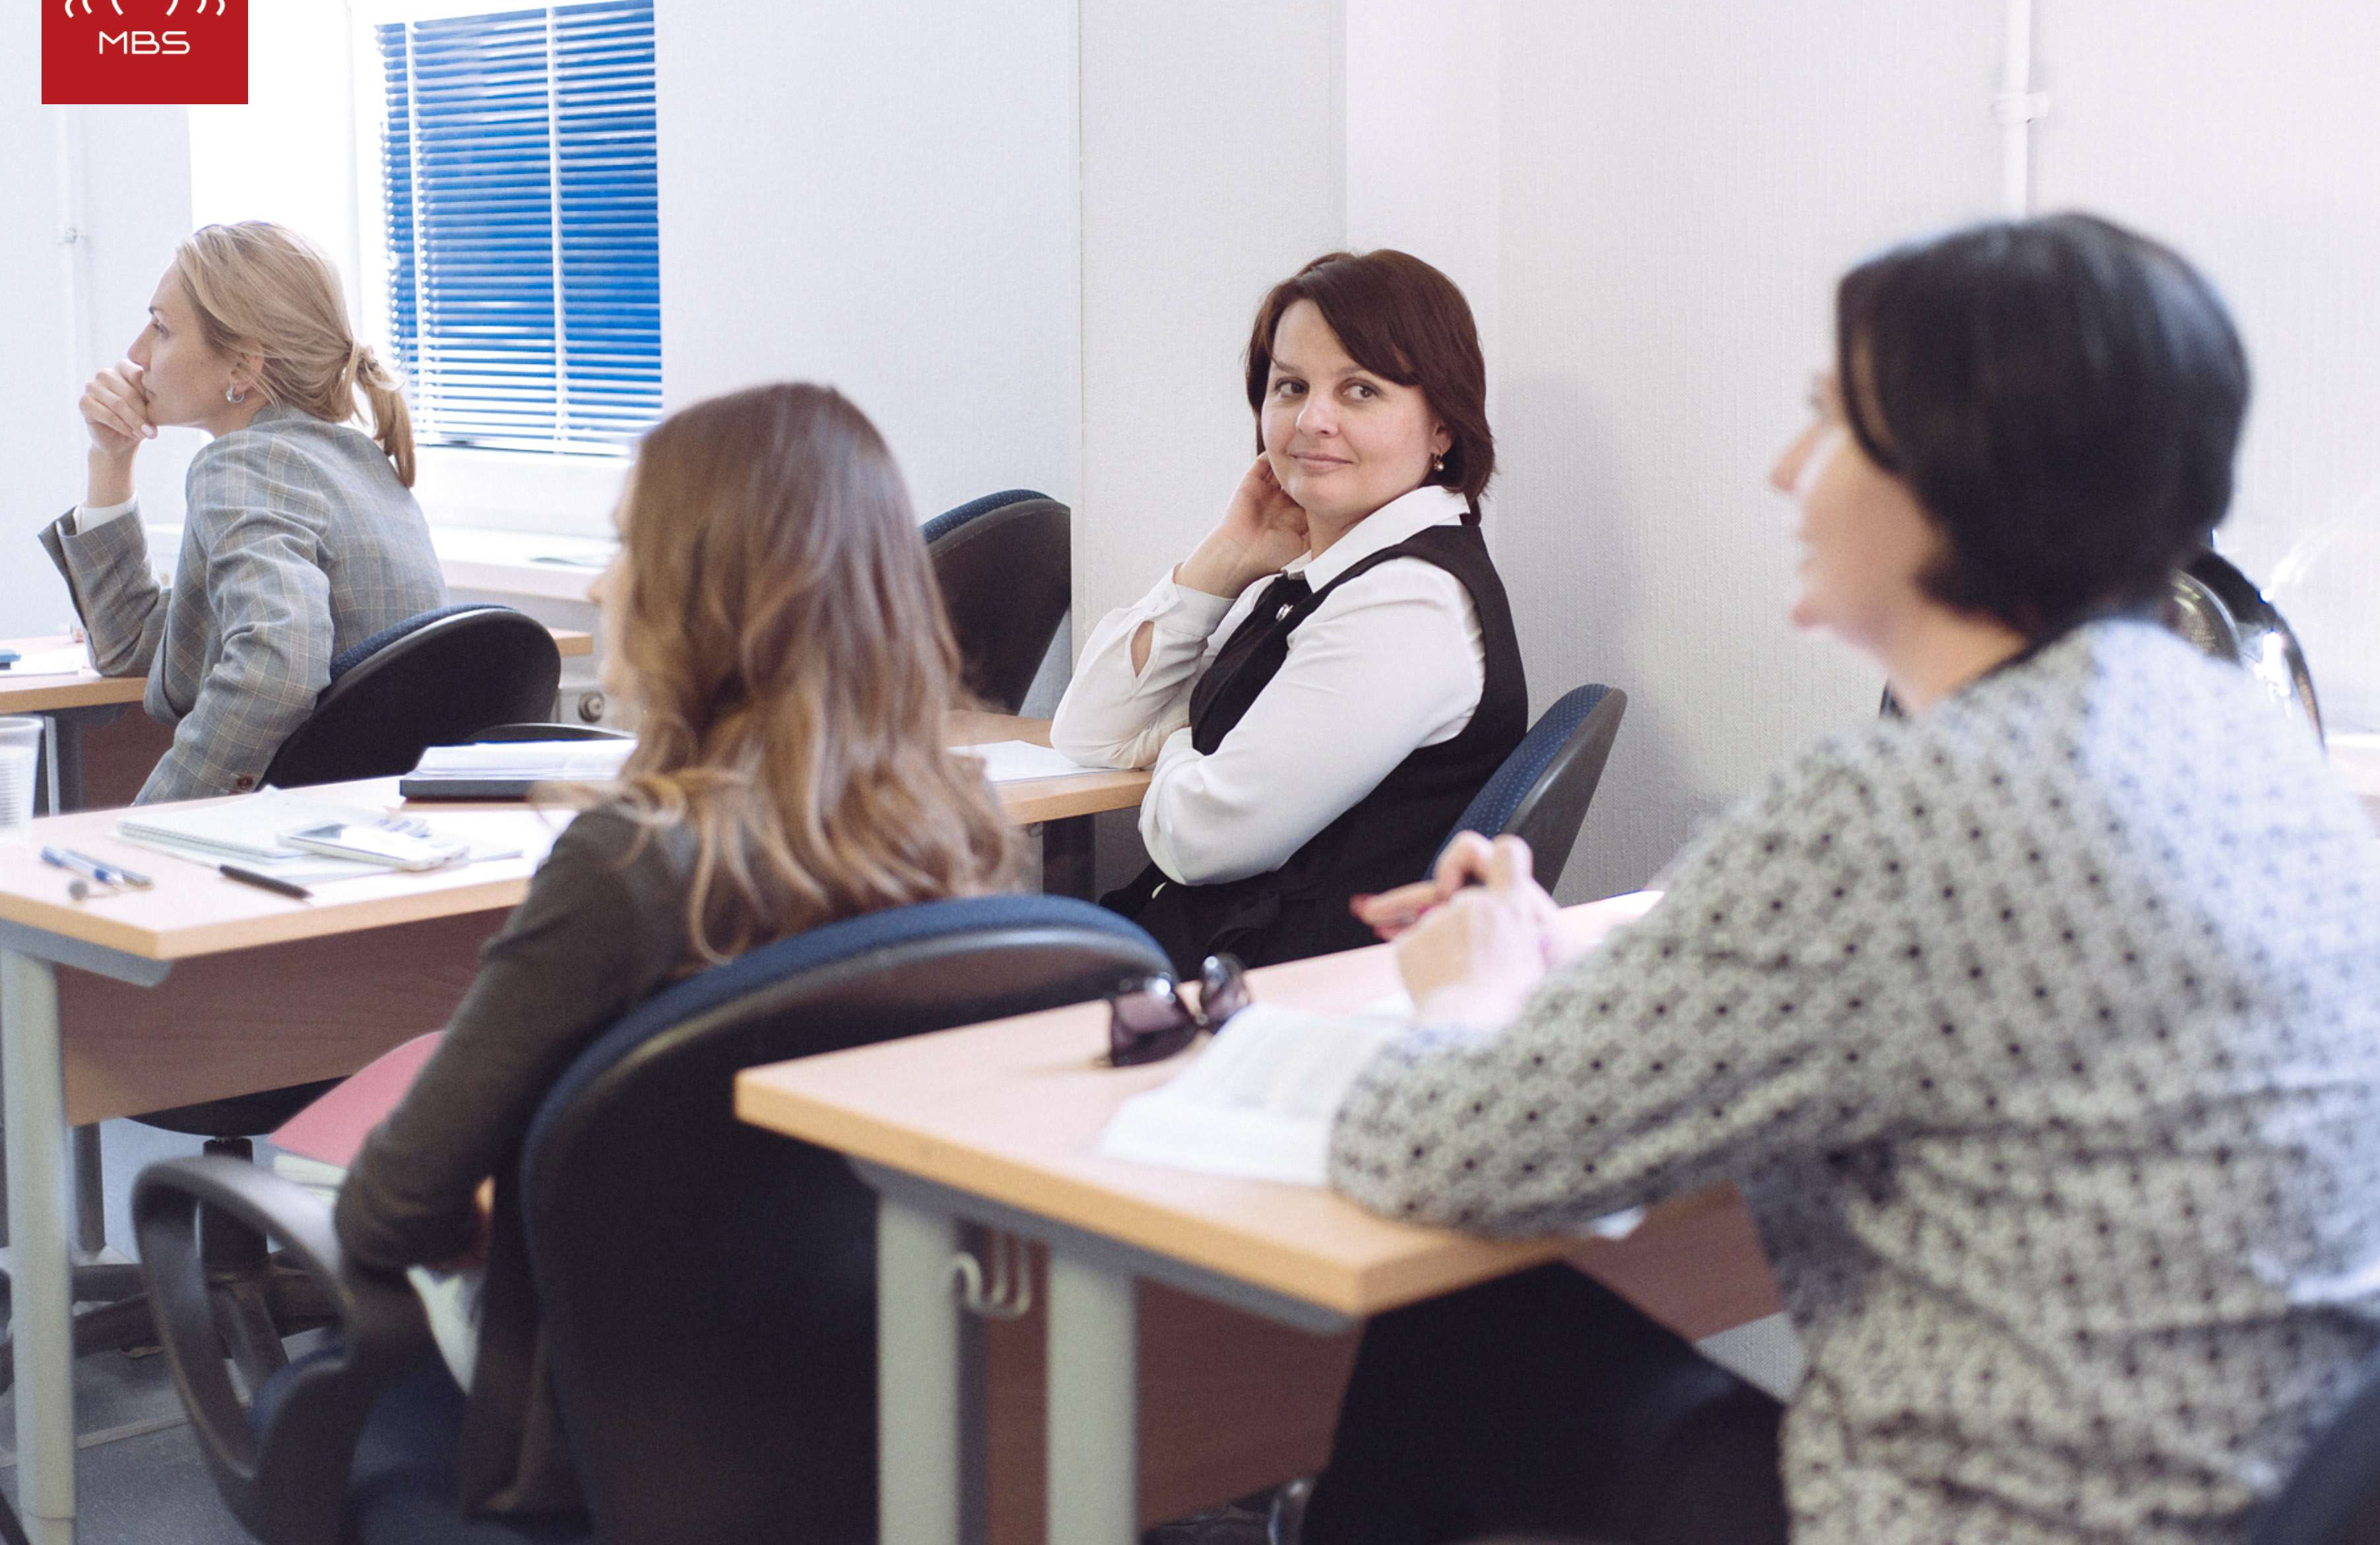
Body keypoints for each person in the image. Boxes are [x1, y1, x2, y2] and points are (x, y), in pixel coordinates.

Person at [1306, 214, 2380, 1545]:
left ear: (1958, 475)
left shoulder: (1900, 808)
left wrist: (1468, 994)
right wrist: (1586, 968)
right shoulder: (2243, 735)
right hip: (2289, 1502)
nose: (1785, 469)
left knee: (1454, 1336)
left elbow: (1435, 1151)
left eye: (1828, 422)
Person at [331, 383, 1019, 1515]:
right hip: (897, 1425)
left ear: (707, 600)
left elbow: (390, 1212)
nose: (605, 585)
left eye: (626, 549)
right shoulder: (968, 838)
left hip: (612, 1450)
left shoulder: (631, 865)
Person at [1051, 249, 1526, 977]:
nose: (1311, 420)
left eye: (1360, 390)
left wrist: (1178, 743)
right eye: (1291, 386)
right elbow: (1088, 731)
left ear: (1442, 426)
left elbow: (1200, 839)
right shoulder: (1326, 580)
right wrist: (1224, 561)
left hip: (1258, 995)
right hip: (1195, 965)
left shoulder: (1407, 602)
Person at [39, 221, 447, 803]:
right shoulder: (355, 465)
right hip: (376, 820)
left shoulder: (245, 465)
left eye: (161, 329)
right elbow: (131, 648)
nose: (135, 353)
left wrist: (153, 818)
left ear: (242, 369)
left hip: (297, 825)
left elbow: (277, 668)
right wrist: (111, 457)